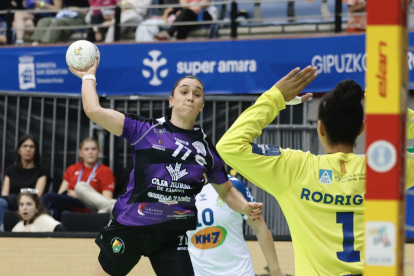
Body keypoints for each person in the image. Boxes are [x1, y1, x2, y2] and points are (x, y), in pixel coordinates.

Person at [68, 58, 263, 276]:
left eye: (197, 94)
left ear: (202, 105)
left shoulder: (206, 150)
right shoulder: (144, 130)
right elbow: (93, 110)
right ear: (171, 100)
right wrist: (88, 76)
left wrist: (245, 207)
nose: (190, 97)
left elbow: (226, 191)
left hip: (170, 237)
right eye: (184, 92)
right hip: (130, 227)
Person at [217, 66, 414, 276]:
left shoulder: (296, 169)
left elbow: (229, 146)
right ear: (361, 129)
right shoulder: (385, 170)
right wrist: (399, 112)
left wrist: (276, 99)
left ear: (320, 128)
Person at [187, 174, 285, 276]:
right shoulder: (178, 190)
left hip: (240, 272)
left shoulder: (232, 185)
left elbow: (259, 228)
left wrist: (275, 271)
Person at [42, 137, 116, 221]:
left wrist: (81, 195)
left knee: (80, 187)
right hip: (73, 204)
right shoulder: (72, 169)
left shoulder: (105, 171)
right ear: (80, 153)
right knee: (53, 210)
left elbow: (106, 199)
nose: (90, 152)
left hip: (91, 205)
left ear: (99, 152)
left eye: (94, 149)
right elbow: (61, 194)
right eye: (86, 149)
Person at [0, 134, 49, 231]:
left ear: (36, 150)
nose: (28, 149)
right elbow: (4, 194)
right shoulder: (10, 170)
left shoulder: (42, 171)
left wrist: (22, 196)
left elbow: (37, 194)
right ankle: (1, 230)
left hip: (30, 201)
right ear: (19, 150)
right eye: (25, 146)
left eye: (31, 147)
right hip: (12, 201)